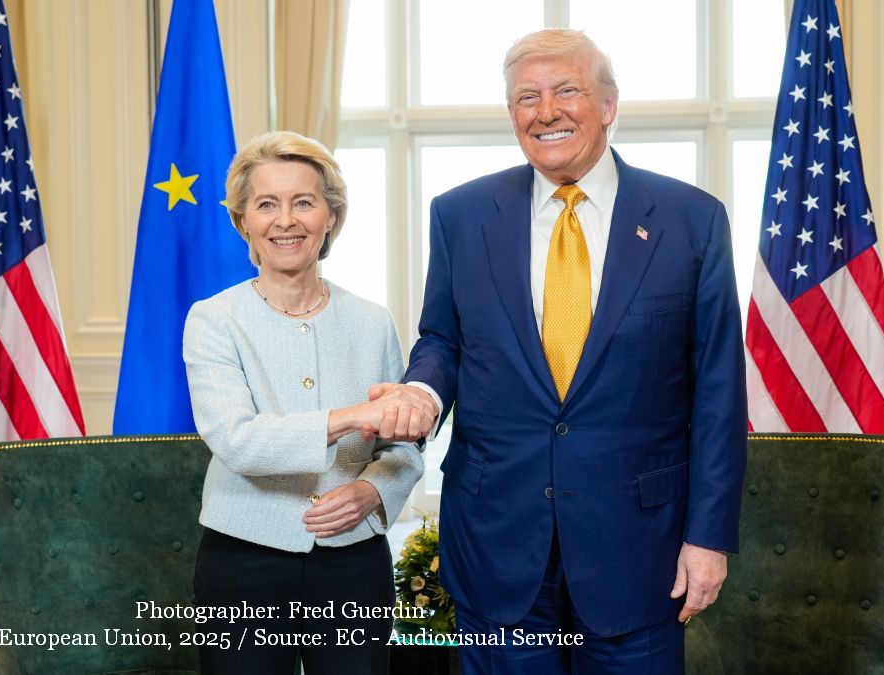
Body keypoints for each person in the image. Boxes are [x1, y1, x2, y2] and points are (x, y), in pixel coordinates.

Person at [369, 29, 747, 673]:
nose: (546, 111)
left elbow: (718, 390)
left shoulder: (692, 218)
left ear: (608, 104)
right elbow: (443, 339)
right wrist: (423, 390)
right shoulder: (460, 215)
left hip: (639, 548)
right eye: (526, 97)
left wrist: (708, 537)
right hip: (497, 537)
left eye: (566, 90)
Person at [183, 130, 425, 674]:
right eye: (266, 204)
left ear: (331, 216)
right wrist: (352, 417)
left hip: (354, 563)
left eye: (304, 202)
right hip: (241, 561)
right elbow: (237, 441)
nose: (285, 220)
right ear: (243, 220)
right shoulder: (213, 320)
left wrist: (371, 490)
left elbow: (403, 450)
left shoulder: (372, 320)